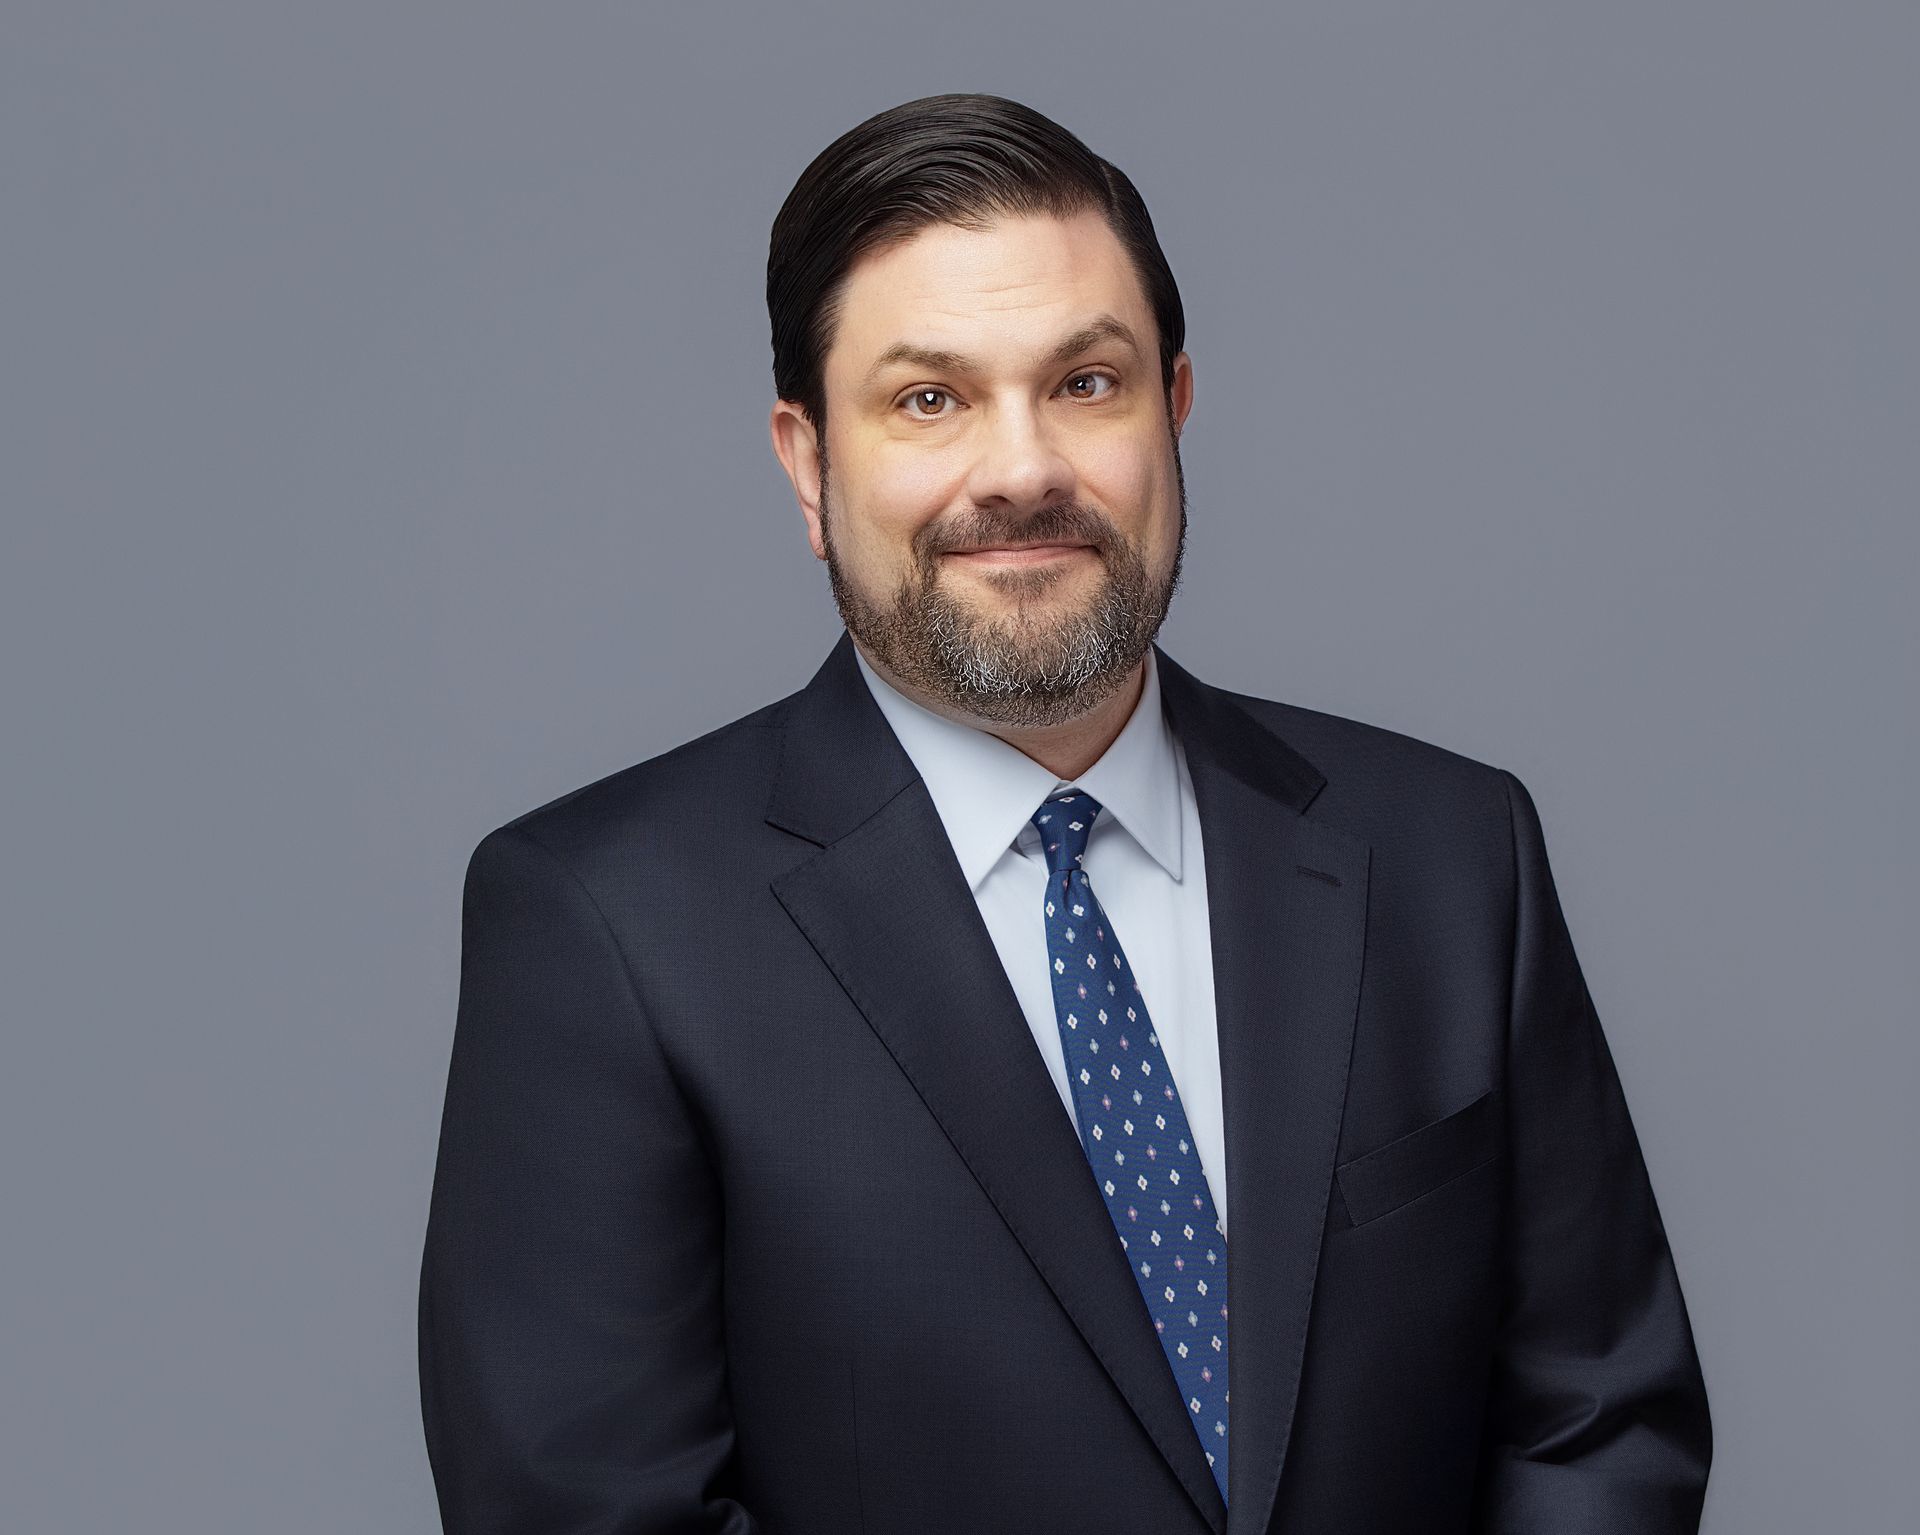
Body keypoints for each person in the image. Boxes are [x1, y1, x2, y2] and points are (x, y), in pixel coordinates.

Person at [417, 92, 1712, 1534]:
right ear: (806, 461)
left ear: (1175, 409)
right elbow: (592, 1514)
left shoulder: (1452, 856)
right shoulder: (606, 926)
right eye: (930, 399)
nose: (1022, 470)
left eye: (1086, 383)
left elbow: (1599, 1424)